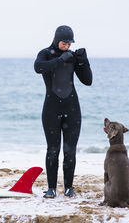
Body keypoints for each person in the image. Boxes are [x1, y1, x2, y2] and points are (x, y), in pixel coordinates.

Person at [34, 25, 92, 198]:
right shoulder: (45, 53)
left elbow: (87, 81)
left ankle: (68, 187)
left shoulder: (72, 57)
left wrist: (83, 61)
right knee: (53, 149)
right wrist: (61, 59)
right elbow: (38, 67)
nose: (67, 46)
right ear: (56, 39)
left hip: (72, 108)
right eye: (64, 43)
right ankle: (51, 188)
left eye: (69, 43)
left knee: (70, 150)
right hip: (51, 108)